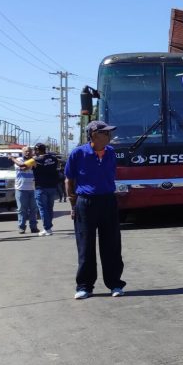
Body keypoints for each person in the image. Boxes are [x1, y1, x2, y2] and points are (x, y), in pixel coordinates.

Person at [65, 120, 126, 300]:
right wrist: (73, 204)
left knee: (112, 244)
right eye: (105, 133)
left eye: (109, 133)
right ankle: (84, 286)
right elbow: (69, 179)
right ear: (93, 135)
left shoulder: (111, 153)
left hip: (107, 201)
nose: (109, 136)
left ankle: (115, 283)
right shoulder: (78, 153)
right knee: (85, 245)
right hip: (85, 202)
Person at [10, 146, 39, 234]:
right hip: (21, 188)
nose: (27, 153)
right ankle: (21, 227)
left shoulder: (33, 160)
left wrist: (12, 158)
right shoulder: (19, 159)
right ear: (22, 152)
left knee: (33, 209)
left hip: (32, 188)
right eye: (26, 151)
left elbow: (24, 167)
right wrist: (15, 160)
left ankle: (33, 227)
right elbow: (22, 167)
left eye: (29, 151)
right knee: (22, 209)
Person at [32, 143, 59, 235]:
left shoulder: (36, 159)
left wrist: (12, 159)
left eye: (35, 150)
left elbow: (22, 165)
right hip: (52, 186)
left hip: (41, 187)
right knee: (49, 208)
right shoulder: (54, 158)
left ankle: (47, 228)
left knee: (43, 209)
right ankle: (49, 227)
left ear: (38, 150)